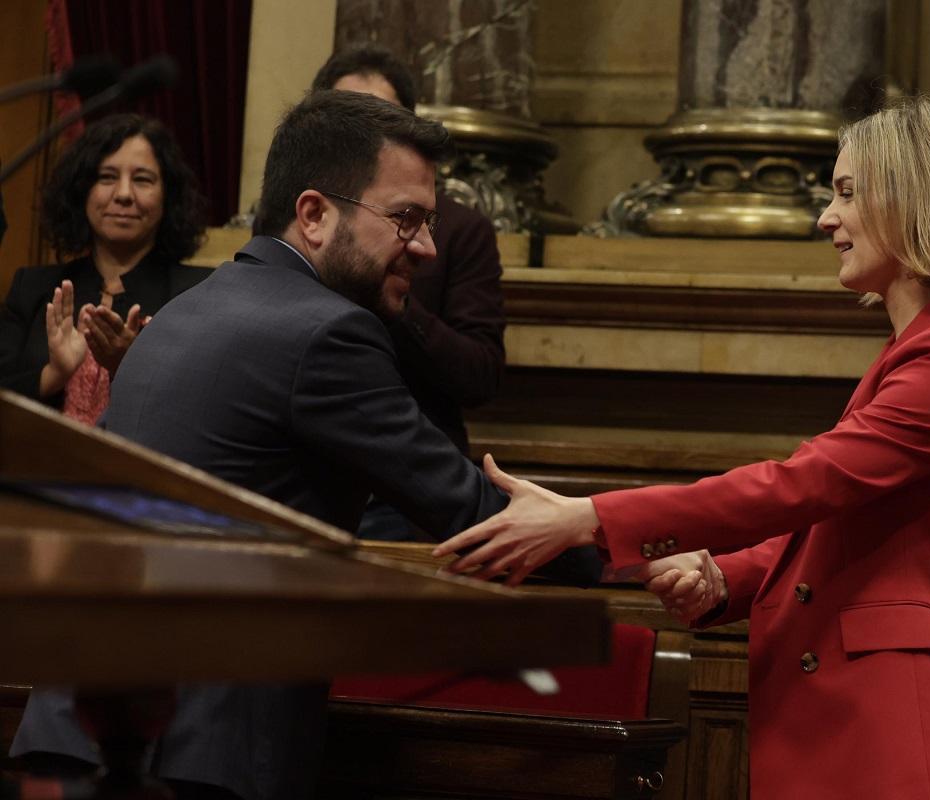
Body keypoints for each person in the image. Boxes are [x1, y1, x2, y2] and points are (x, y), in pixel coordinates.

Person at [11, 91, 595, 800]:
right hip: (199, 754)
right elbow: (466, 509)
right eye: (406, 219)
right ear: (315, 214)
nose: (429, 247)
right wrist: (611, 538)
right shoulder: (326, 333)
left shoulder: (185, 311)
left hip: (78, 729)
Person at [433, 94, 930, 799]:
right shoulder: (926, 346)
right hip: (861, 710)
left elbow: (802, 485)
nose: (826, 217)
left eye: (845, 193)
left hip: (899, 716)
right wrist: (723, 577)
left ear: (913, 198)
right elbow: (837, 523)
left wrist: (586, 517)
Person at [314, 45, 506, 541]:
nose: (362, 137)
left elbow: (479, 375)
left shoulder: (456, 231)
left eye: (379, 119)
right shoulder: (303, 219)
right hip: (306, 468)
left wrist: (388, 292)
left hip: (406, 488)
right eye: (345, 120)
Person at [0, 113, 208, 424]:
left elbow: (206, 410)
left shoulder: (199, 294)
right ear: (81, 191)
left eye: (142, 179)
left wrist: (129, 365)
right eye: (107, 177)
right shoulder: (32, 287)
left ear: (168, 196)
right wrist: (52, 376)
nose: (123, 195)